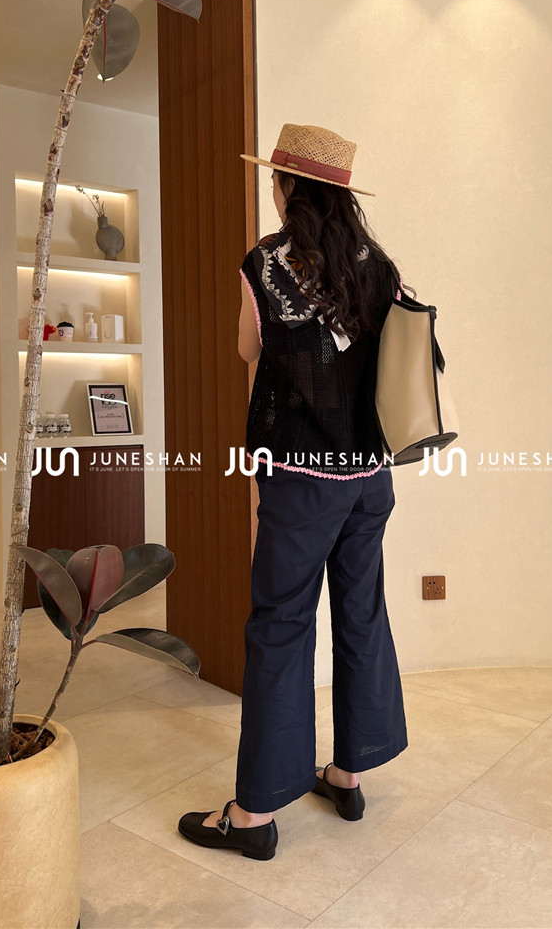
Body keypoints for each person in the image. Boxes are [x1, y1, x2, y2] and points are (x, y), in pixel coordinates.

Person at [178, 123, 411, 861]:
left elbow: (248, 349)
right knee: (361, 614)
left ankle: (252, 816)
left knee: (281, 626)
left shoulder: (265, 263)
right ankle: (347, 774)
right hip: (369, 479)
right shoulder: (379, 265)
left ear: (286, 188)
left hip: (302, 479)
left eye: (273, 180)